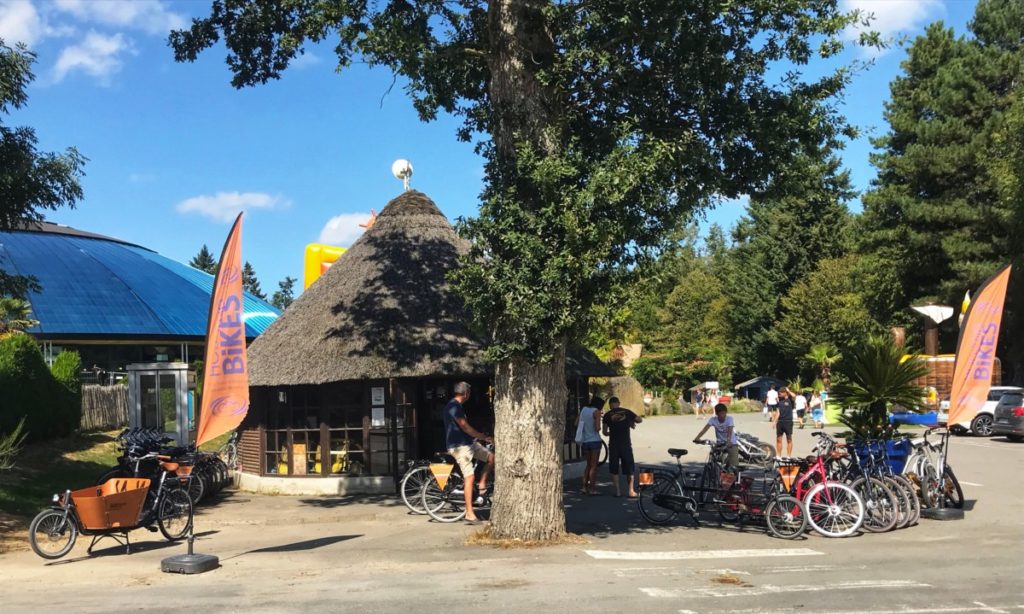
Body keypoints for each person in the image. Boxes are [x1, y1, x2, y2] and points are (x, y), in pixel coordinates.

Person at [442, 382, 493, 524]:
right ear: (466, 393)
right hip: (460, 446)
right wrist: (481, 436)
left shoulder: (457, 406)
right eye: (469, 392)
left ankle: (482, 484)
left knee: (491, 457)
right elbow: (464, 426)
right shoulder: (453, 406)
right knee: (469, 477)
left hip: (469, 443)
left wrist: (478, 438)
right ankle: (469, 513)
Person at [602, 396, 642, 498]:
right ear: (618, 403)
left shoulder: (607, 415)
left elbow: (604, 432)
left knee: (614, 468)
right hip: (626, 444)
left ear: (610, 405)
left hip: (614, 445)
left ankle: (618, 491)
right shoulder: (627, 412)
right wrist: (631, 422)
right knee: (629, 467)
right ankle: (631, 491)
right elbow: (639, 419)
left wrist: (612, 432)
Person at [694, 403, 739, 469]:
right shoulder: (713, 419)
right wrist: (697, 438)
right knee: (713, 457)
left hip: (731, 443)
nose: (723, 415)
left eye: (724, 413)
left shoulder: (729, 419)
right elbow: (705, 429)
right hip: (719, 443)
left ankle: (736, 476)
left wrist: (729, 440)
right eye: (721, 413)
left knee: (734, 464)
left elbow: (730, 430)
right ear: (717, 414)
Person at [577, 395, 605, 495]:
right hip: (594, 441)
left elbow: (577, 423)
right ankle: (592, 489)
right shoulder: (596, 412)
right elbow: (597, 428)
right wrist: (599, 423)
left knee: (588, 465)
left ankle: (584, 487)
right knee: (594, 466)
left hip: (585, 442)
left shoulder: (584, 410)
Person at [772, 387, 796, 456]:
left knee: (789, 439)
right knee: (779, 439)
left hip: (788, 422)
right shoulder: (779, 402)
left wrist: (788, 391)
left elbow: (794, 396)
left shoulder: (790, 400)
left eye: (781, 393)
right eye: (779, 393)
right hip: (780, 422)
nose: (779, 394)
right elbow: (778, 412)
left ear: (785, 393)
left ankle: (789, 456)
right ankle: (778, 455)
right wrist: (774, 421)